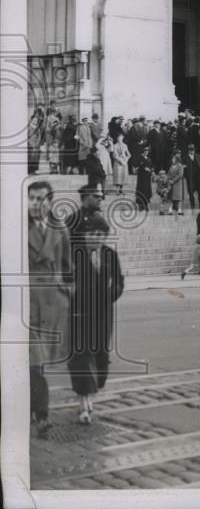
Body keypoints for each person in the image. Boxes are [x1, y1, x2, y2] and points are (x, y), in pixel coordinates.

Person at [67, 186, 124, 424]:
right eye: (91, 234)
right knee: (81, 357)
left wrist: (112, 292)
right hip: (79, 314)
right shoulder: (74, 254)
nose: (95, 238)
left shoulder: (110, 255)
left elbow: (120, 282)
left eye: (100, 234)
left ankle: (92, 390)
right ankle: (84, 404)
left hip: (103, 315)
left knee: (101, 359)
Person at [27, 180, 74, 439]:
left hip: (50, 305)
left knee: (37, 363)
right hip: (25, 302)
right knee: (34, 361)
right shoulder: (15, 228)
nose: (36, 203)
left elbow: (68, 267)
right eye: (32, 198)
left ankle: (36, 411)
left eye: (41, 198)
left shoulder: (60, 228)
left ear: (50, 202)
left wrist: (67, 293)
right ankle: (41, 413)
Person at [133, 145, 154, 211]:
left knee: (147, 190)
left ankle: (146, 204)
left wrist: (152, 170)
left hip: (147, 177)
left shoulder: (149, 158)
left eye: (147, 151)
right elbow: (139, 165)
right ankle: (140, 205)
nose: (146, 152)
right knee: (141, 189)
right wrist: (145, 168)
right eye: (145, 151)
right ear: (143, 151)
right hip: (142, 177)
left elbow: (151, 165)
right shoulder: (140, 158)